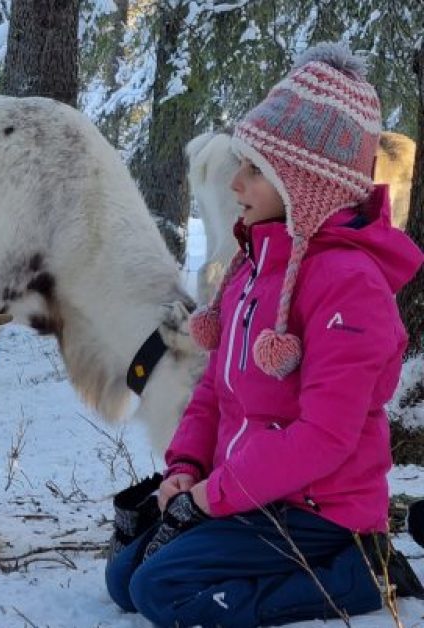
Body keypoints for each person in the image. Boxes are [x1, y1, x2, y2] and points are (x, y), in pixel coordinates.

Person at [105, 41, 424, 627]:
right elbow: (213, 394)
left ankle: (359, 574)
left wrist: (214, 497)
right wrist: (187, 470)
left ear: (305, 184)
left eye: (255, 170)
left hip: (319, 509)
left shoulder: (348, 286)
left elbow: (324, 437)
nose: (236, 185)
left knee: (161, 591)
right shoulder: (254, 268)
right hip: (251, 489)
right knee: (122, 577)